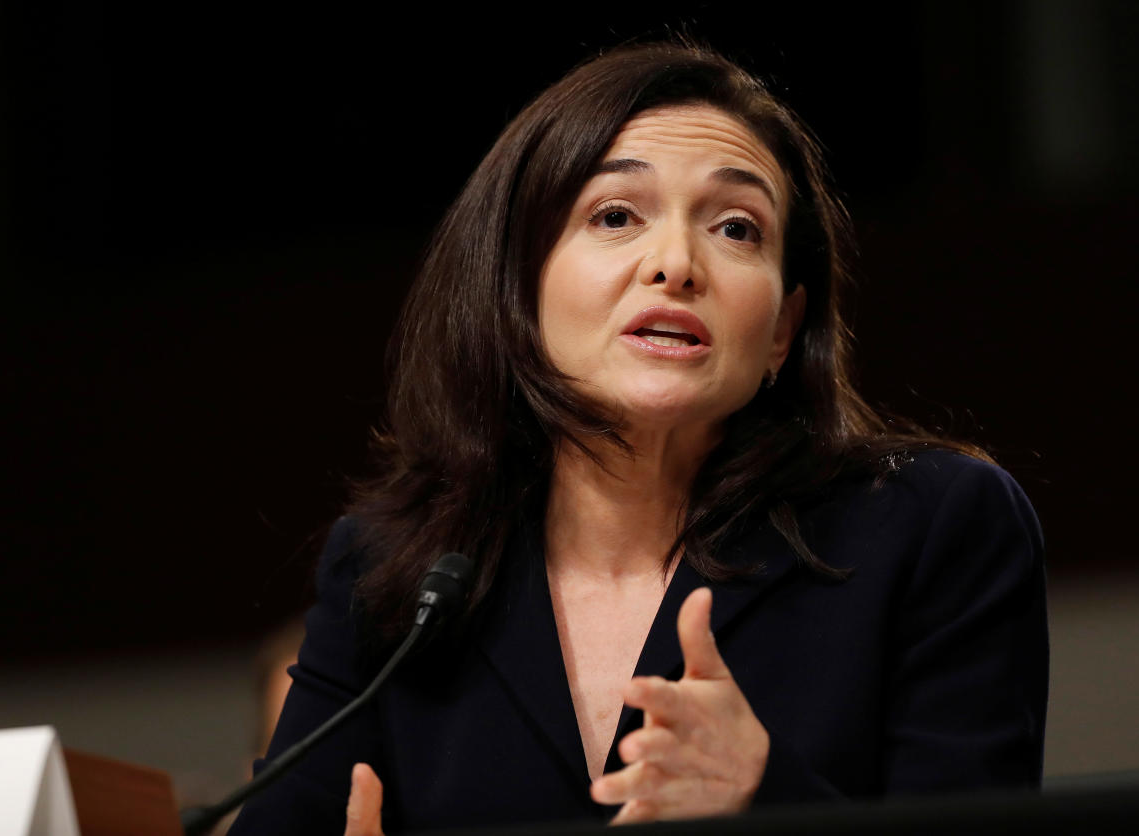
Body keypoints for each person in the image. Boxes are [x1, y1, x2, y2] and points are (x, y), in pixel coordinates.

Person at [228, 41, 1047, 835]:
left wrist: (764, 798)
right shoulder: (395, 570)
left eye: (736, 229)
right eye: (615, 215)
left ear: (782, 332)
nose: (676, 263)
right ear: (516, 285)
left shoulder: (933, 527)